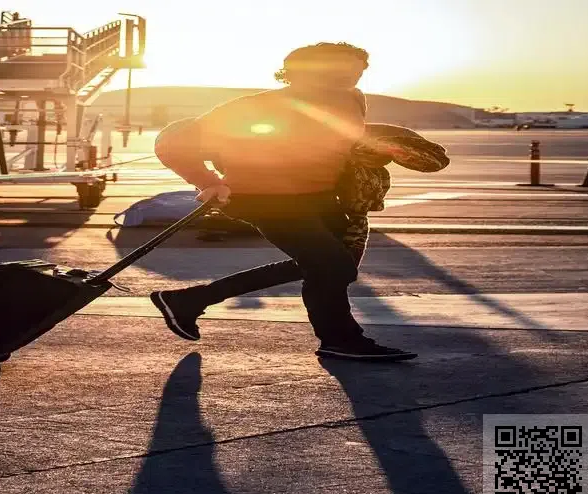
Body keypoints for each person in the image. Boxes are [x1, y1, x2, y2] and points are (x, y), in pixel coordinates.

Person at [151, 42, 417, 361]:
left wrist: (392, 145)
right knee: (332, 265)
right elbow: (173, 143)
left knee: (325, 265)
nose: (355, 74)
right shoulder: (257, 106)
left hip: (319, 196)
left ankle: (188, 301)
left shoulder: (352, 99)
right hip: (262, 197)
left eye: (360, 68)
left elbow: (338, 135)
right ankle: (340, 339)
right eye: (342, 68)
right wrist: (208, 181)